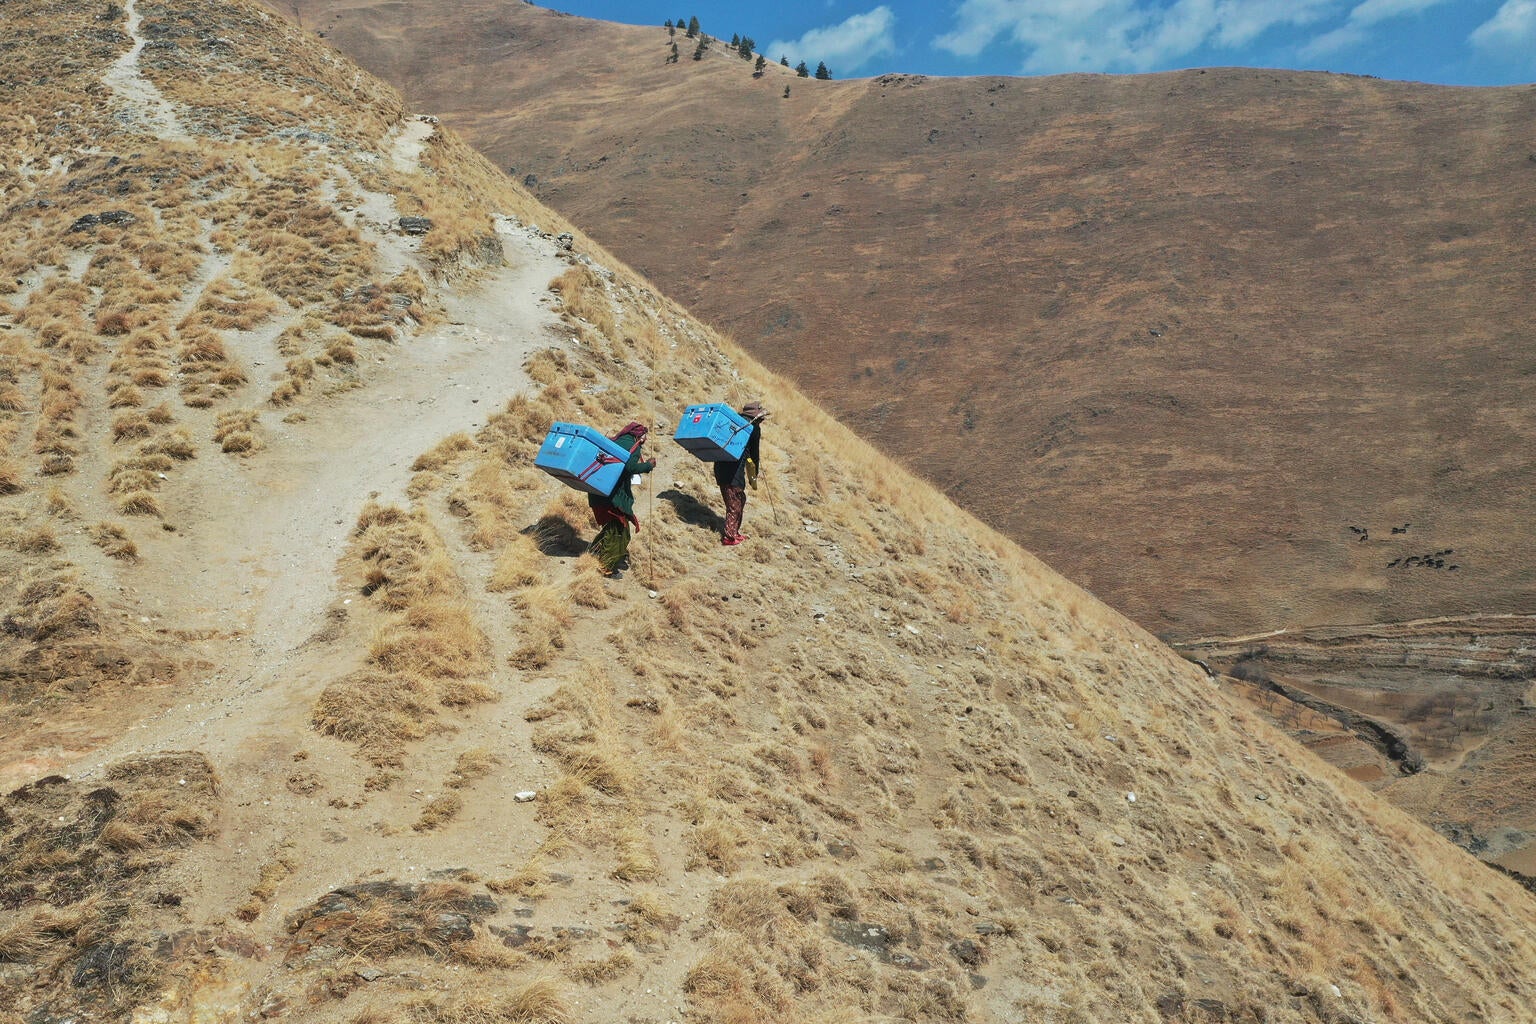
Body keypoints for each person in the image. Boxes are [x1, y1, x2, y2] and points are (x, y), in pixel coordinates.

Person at [588, 421, 655, 578]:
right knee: (619, 531)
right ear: (640, 435)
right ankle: (606, 565)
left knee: (611, 527)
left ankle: (594, 552)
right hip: (614, 496)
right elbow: (630, 468)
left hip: (598, 491)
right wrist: (648, 466)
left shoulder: (616, 441)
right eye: (645, 435)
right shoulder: (634, 446)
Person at [714, 400, 767, 546]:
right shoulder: (753, 428)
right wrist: (754, 474)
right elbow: (754, 454)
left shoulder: (735, 423)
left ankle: (735, 533)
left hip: (720, 468)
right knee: (734, 504)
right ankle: (729, 537)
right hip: (733, 473)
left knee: (739, 500)